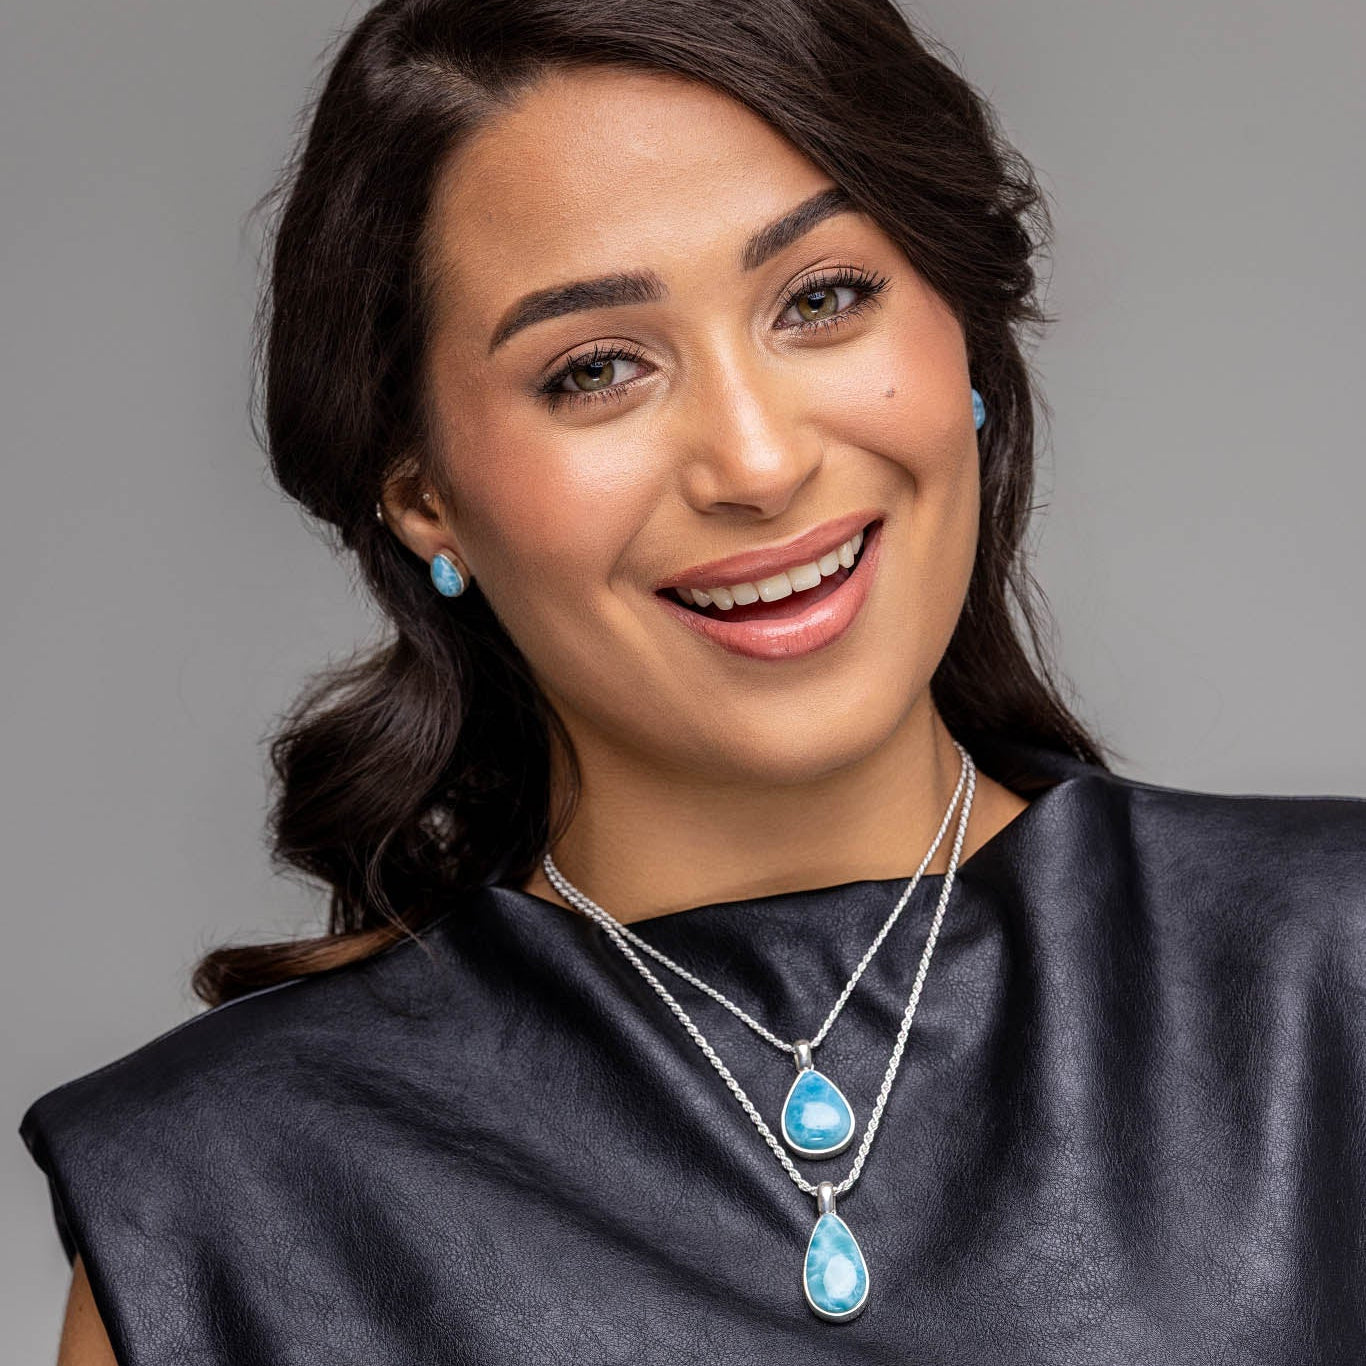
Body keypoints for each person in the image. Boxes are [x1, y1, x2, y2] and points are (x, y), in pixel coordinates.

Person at [21, 0, 1365, 1361]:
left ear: (959, 326)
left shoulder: (1334, 975)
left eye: (821, 299)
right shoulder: (224, 1205)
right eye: (595, 369)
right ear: (423, 496)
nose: (758, 463)